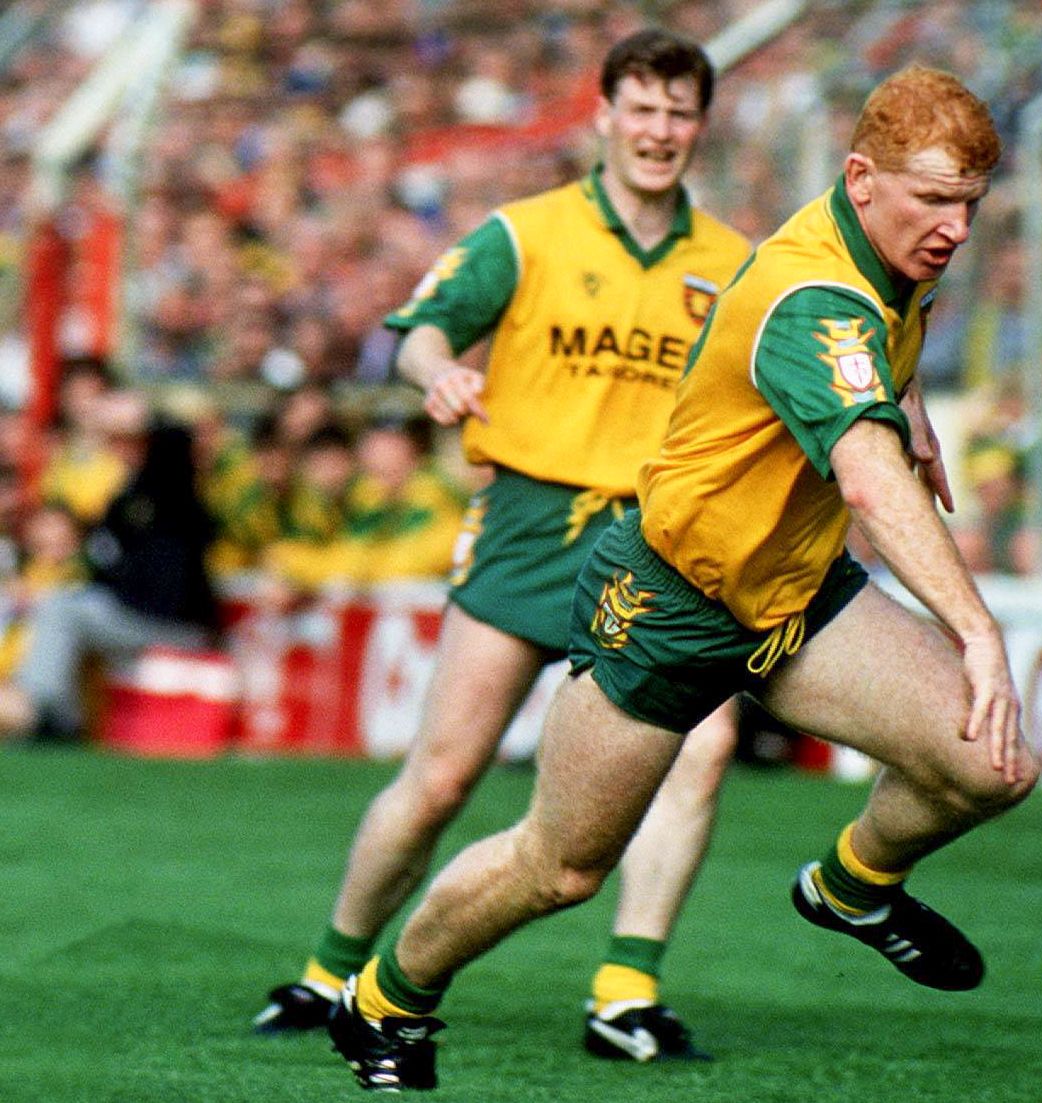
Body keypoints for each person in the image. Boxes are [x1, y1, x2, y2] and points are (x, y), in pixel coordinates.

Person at [327, 65, 1039, 1093]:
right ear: (860, 178)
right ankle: (383, 998)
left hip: (794, 591)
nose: (956, 228)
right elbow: (869, 479)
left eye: (970, 203)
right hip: (669, 600)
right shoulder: (810, 296)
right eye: (935, 200)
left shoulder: (886, 246)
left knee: (989, 766)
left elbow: (880, 341)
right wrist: (976, 628)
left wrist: (909, 396)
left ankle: (851, 885)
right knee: (560, 866)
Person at [253, 29, 750, 1064]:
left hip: (659, 539)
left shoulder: (735, 263)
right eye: (642, 108)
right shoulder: (524, 233)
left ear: (700, 126)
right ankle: (328, 969)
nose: (659, 130)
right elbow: (420, 329)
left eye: (678, 112)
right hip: (529, 521)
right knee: (442, 776)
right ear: (603, 116)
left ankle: (626, 991)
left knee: (701, 749)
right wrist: (438, 371)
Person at [0, 415, 219, 741]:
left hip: (166, 627)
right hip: (163, 622)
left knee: (60, 607)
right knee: (64, 606)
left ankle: (40, 708)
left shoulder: (158, 502)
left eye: (137, 443)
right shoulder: (181, 504)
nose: (128, 451)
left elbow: (139, 583)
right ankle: (55, 713)